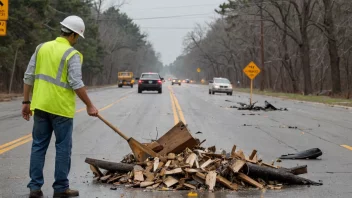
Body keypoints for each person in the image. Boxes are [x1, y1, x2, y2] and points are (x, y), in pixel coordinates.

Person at [22, 15, 98, 198]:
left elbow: (28, 76)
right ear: (73, 35)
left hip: (40, 106)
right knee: (63, 148)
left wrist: (26, 102)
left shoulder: (41, 48)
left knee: (38, 147)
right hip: (61, 109)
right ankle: (61, 188)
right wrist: (90, 105)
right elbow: (76, 83)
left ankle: (34, 188)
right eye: (78, 37)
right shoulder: (72, 54)